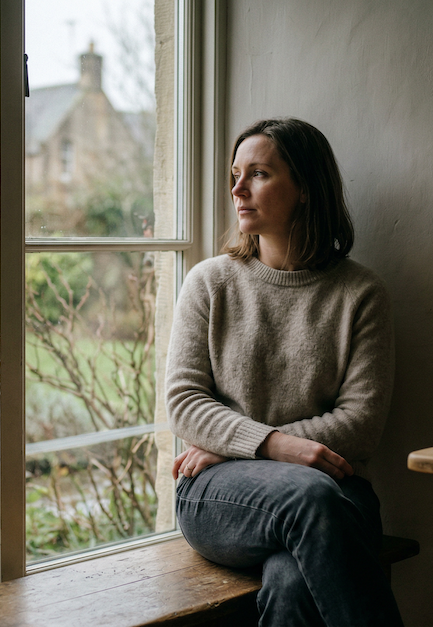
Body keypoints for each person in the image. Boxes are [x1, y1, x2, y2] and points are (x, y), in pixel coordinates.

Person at [165, 118, 403, 626]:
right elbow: (185, 404)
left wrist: (241, 441)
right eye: (236, 175)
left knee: (293, 583)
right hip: (219, 491)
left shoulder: (361, 293)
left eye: (259, 174)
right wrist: (272, 446)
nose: (237, 189)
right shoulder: (210, 282)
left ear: (306, 189)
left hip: (337, 491)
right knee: (310, 494)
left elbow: (361, 424)